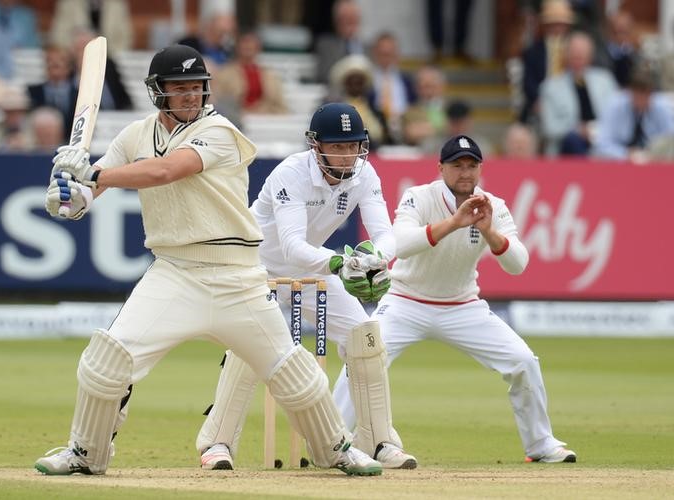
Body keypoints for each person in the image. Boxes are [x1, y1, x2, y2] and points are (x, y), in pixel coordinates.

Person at [34, 44, 382, 477]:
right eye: (179, 89)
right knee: (106, 360)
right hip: (174, 273)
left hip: (237, 276)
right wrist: (68, 196)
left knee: (292, 372)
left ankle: (337, 449)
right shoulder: (135, 136)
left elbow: (165, 171)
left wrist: (91, 174)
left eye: (196, 88)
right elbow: (89, 194)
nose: (190, 97)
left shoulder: (220, 132)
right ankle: (85, 454)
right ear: (157, 92)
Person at [196, 102, 417, 471]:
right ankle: (216, 443)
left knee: (365, 335)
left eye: (353, 146)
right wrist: (340, 263)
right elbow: (292, 246)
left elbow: (385, 235)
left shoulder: (365, 173)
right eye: (338, 146)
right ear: (316, 146)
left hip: (314, 271)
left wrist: (373, 261)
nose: (347, 156)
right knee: (251, 346)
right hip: (255, 267)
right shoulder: (292, 173)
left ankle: (377, 440)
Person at [334, 134, 577, 464]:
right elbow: (400, 244)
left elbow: (518, 264)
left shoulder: (494, 206)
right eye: (457, 165)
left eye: (472, 165)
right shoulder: (418, 197)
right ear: (440, 168)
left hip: (463, 306)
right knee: (365, 356)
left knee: (523, 361)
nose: (465, 172)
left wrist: (490, 232)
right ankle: (332, 439)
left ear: (480, 169)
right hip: (406, 301)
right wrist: (454, 223)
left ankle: (541, 444)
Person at [539, 31, 618, 155]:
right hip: (567, 146)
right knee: (573, 140)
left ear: (590, 57)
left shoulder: (606, 81)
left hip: (602, 142)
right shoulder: (551, 87)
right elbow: (549, 128)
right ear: (566, 56)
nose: (578, 60)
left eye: (582, 56)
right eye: (574, 56)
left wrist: (596, 130)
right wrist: (577, 130)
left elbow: (616, 118)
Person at [593, 65, 674, 162]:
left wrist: (653, 153)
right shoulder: (615, 105)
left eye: (646, 95)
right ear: (630, 92)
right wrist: (624, 153)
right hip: (620, 160)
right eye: (638, 95)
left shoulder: (662, 106)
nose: (642, 101)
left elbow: (670, 139)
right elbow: (602, 142)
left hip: (653, 160)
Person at [50, 0, 133, 53]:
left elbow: (126, 38)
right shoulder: (68, 4)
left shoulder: (117, 4)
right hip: (75, 61)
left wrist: (104, 52)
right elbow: (58, 37)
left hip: (108, 60)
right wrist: (78, 49)